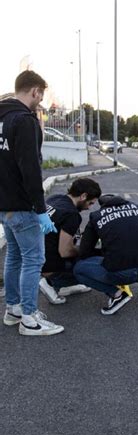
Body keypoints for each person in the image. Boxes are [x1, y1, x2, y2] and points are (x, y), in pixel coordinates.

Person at [0, 70, 63, 336]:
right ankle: (29, 318)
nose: (41, 101)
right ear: (35, 91)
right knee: (33, 260)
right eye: (41, 95)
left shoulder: (2, 117)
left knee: (15, 257)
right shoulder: (24, 121)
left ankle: (13, 309)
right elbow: (31, 170)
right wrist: (40, 210)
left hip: (3, 205)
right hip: (23, 206)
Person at [74, 194, 138, 315]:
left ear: (102, 206)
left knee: (79, 269)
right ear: (124, 202)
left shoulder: (96, 217)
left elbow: (84, 252)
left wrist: (107, 252)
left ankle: (117, 295)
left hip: (120, 275)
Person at [39, 178, 102, 305]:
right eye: (90, 203)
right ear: (83, 196)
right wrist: (87, 251)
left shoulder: (55, 199)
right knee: (91, 266)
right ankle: (52, 282)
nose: (89, 208)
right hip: (50, 267)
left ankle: (62, 286)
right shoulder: (72, 215)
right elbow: (65, 252)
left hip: (38, 258)